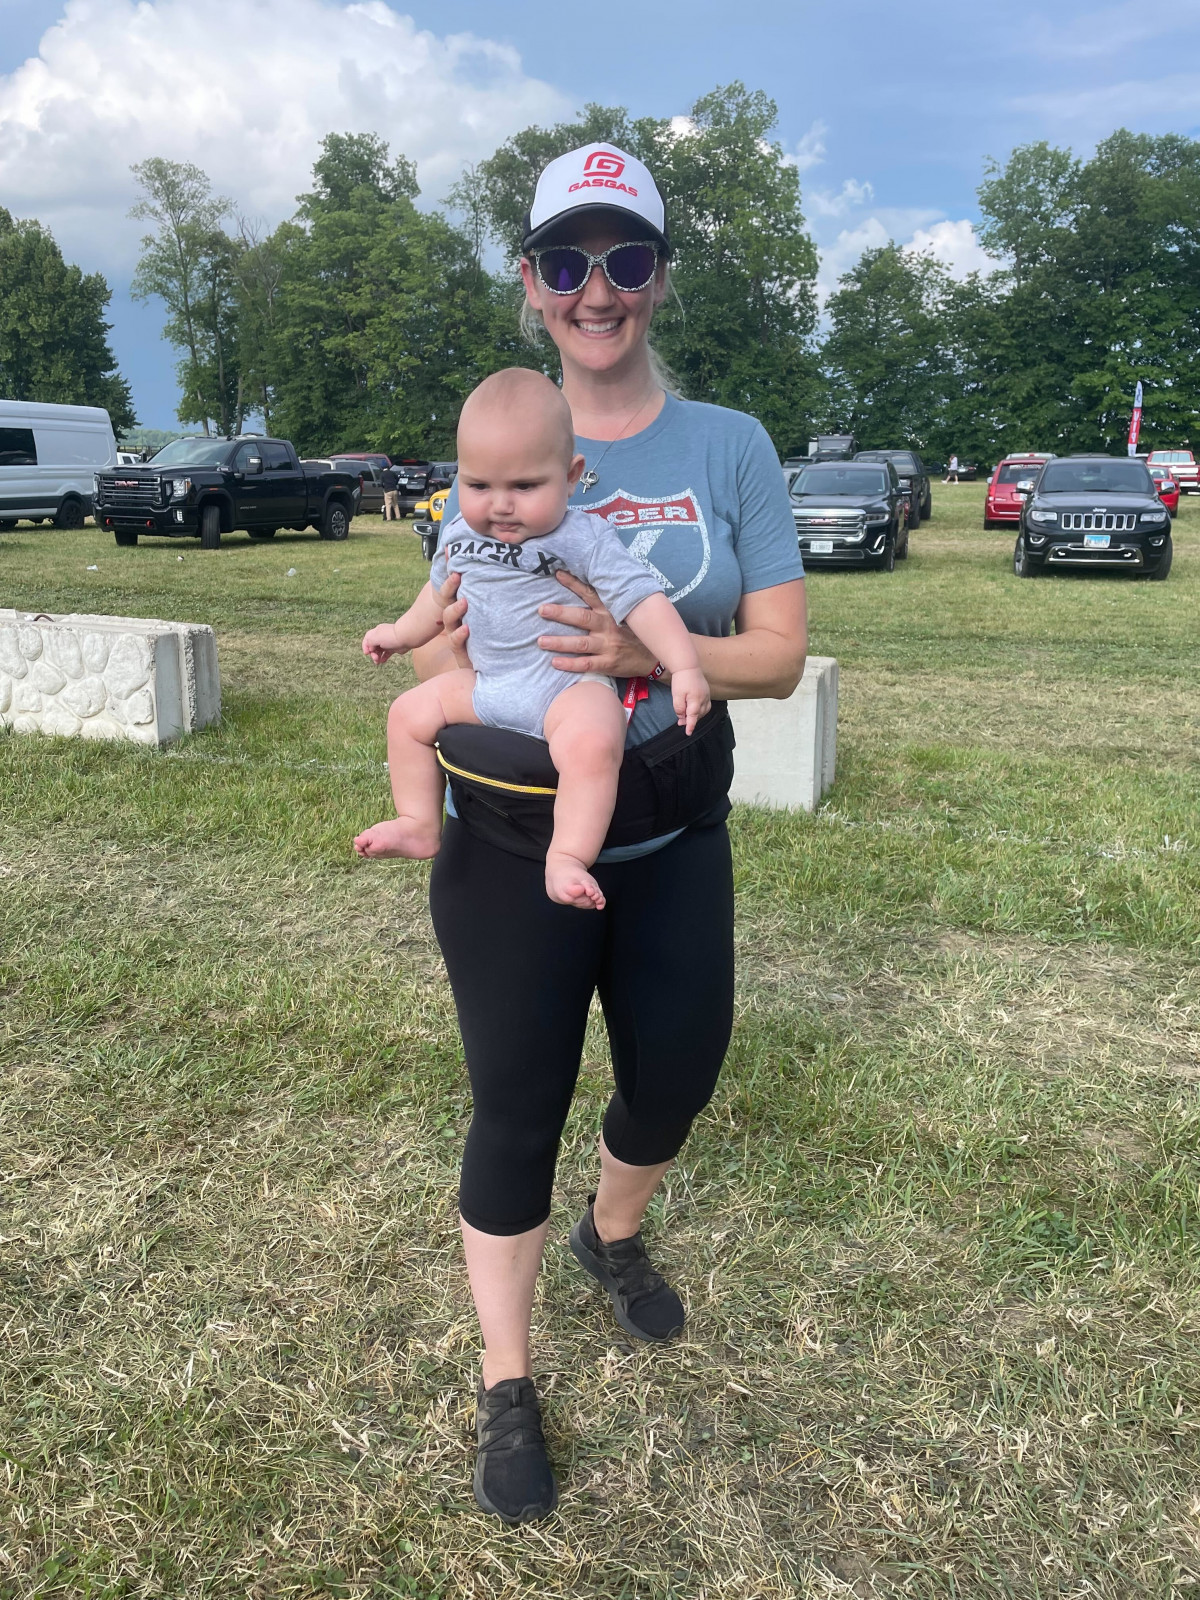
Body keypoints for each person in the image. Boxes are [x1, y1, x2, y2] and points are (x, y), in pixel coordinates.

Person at [406, 142, 808, 1524]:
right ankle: (505, 1382)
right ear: (532, 283)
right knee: (516, 1107)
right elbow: (447, 645)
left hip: (673, 838)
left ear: (658, 278)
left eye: (624, 259)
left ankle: (612, 1231)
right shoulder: (494, 438)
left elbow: (778, 654)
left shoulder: (730, 446)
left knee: (678, 1077)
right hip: (512, 850)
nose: (597, 289)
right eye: (568, 262)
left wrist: (643, 653)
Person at [352, 369, 710, 909]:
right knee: (405, 715)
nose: (500, 504)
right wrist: (399, 635)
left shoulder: (583, 537)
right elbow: (436, 601)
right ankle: (419, 822)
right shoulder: (459, 536)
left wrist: (682, 666)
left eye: (524, 486)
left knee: (594, 744)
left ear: (570, 476)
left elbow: (644, 603)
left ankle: (566, 855)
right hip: (485, 683)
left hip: (565, 689)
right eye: (478, 485)